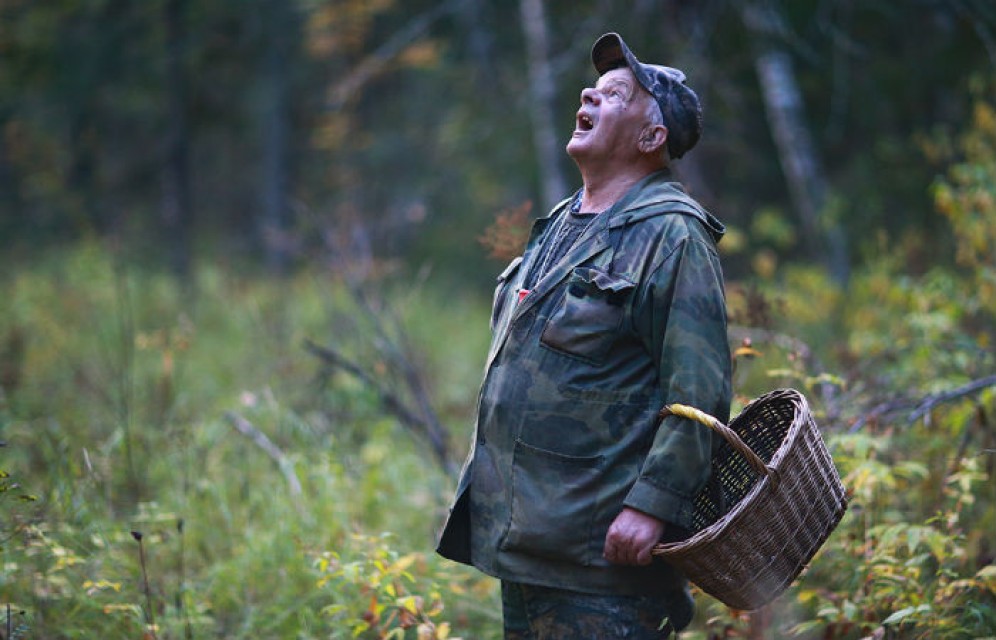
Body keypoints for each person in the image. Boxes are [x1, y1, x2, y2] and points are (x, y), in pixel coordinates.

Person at [436, 32, 732, 638]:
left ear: (651, 138)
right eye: (593, 89)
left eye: (615, 94)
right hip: (530, 546)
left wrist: (652, 505)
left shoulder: (673, 236)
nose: (589, 95)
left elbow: (700, 395)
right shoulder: (560, 224)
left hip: (603, 562)